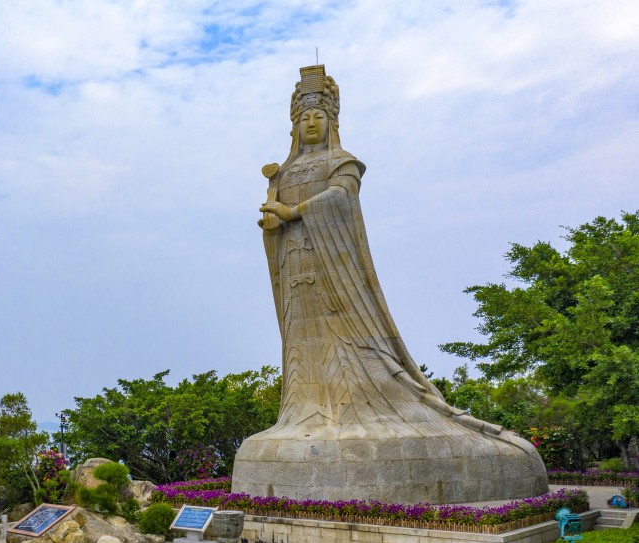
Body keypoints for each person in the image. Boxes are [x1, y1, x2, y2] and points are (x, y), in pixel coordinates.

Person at [231, 65, 547, 503]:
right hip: (297, 273)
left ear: (332, 121)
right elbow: (275, 219)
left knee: (349, 345)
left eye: (319, 115)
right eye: (304, 117)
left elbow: (341, 197)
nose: (311, 123)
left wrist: (294, 211)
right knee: (303, 348)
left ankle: (359, 408)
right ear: (293, 126)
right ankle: (304, 412)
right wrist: (273, 220)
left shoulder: (341, 162)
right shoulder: (282, 174)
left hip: (335, 273)